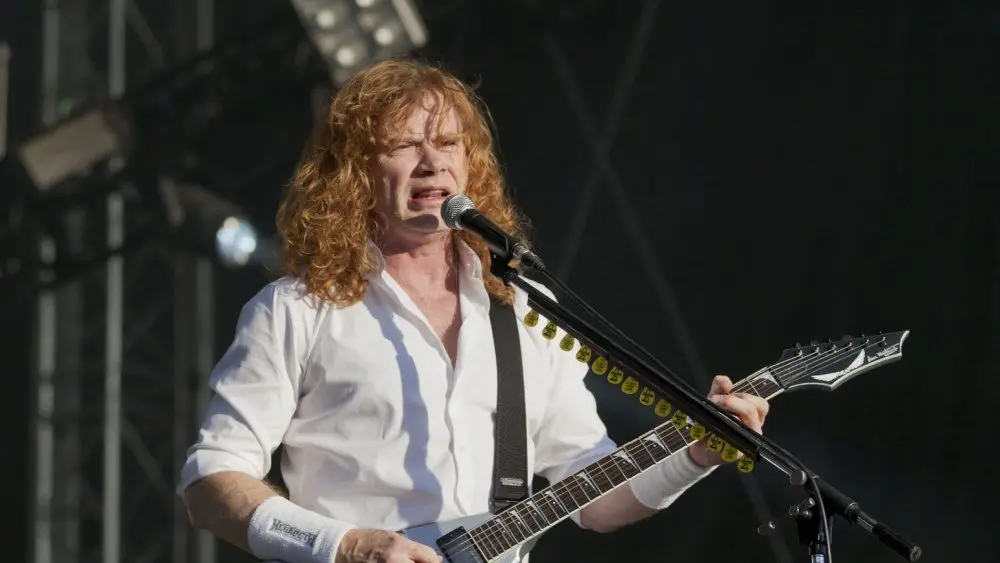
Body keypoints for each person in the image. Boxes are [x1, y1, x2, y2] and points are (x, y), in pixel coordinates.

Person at [177, 58, 770, 563]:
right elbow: (209, 482)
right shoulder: (298, 309)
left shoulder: (526, 307)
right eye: (405, 144)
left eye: (448, 143)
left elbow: (595, 496)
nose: (432, 163)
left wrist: (697, 453)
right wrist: (349, 546)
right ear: (356, 173)